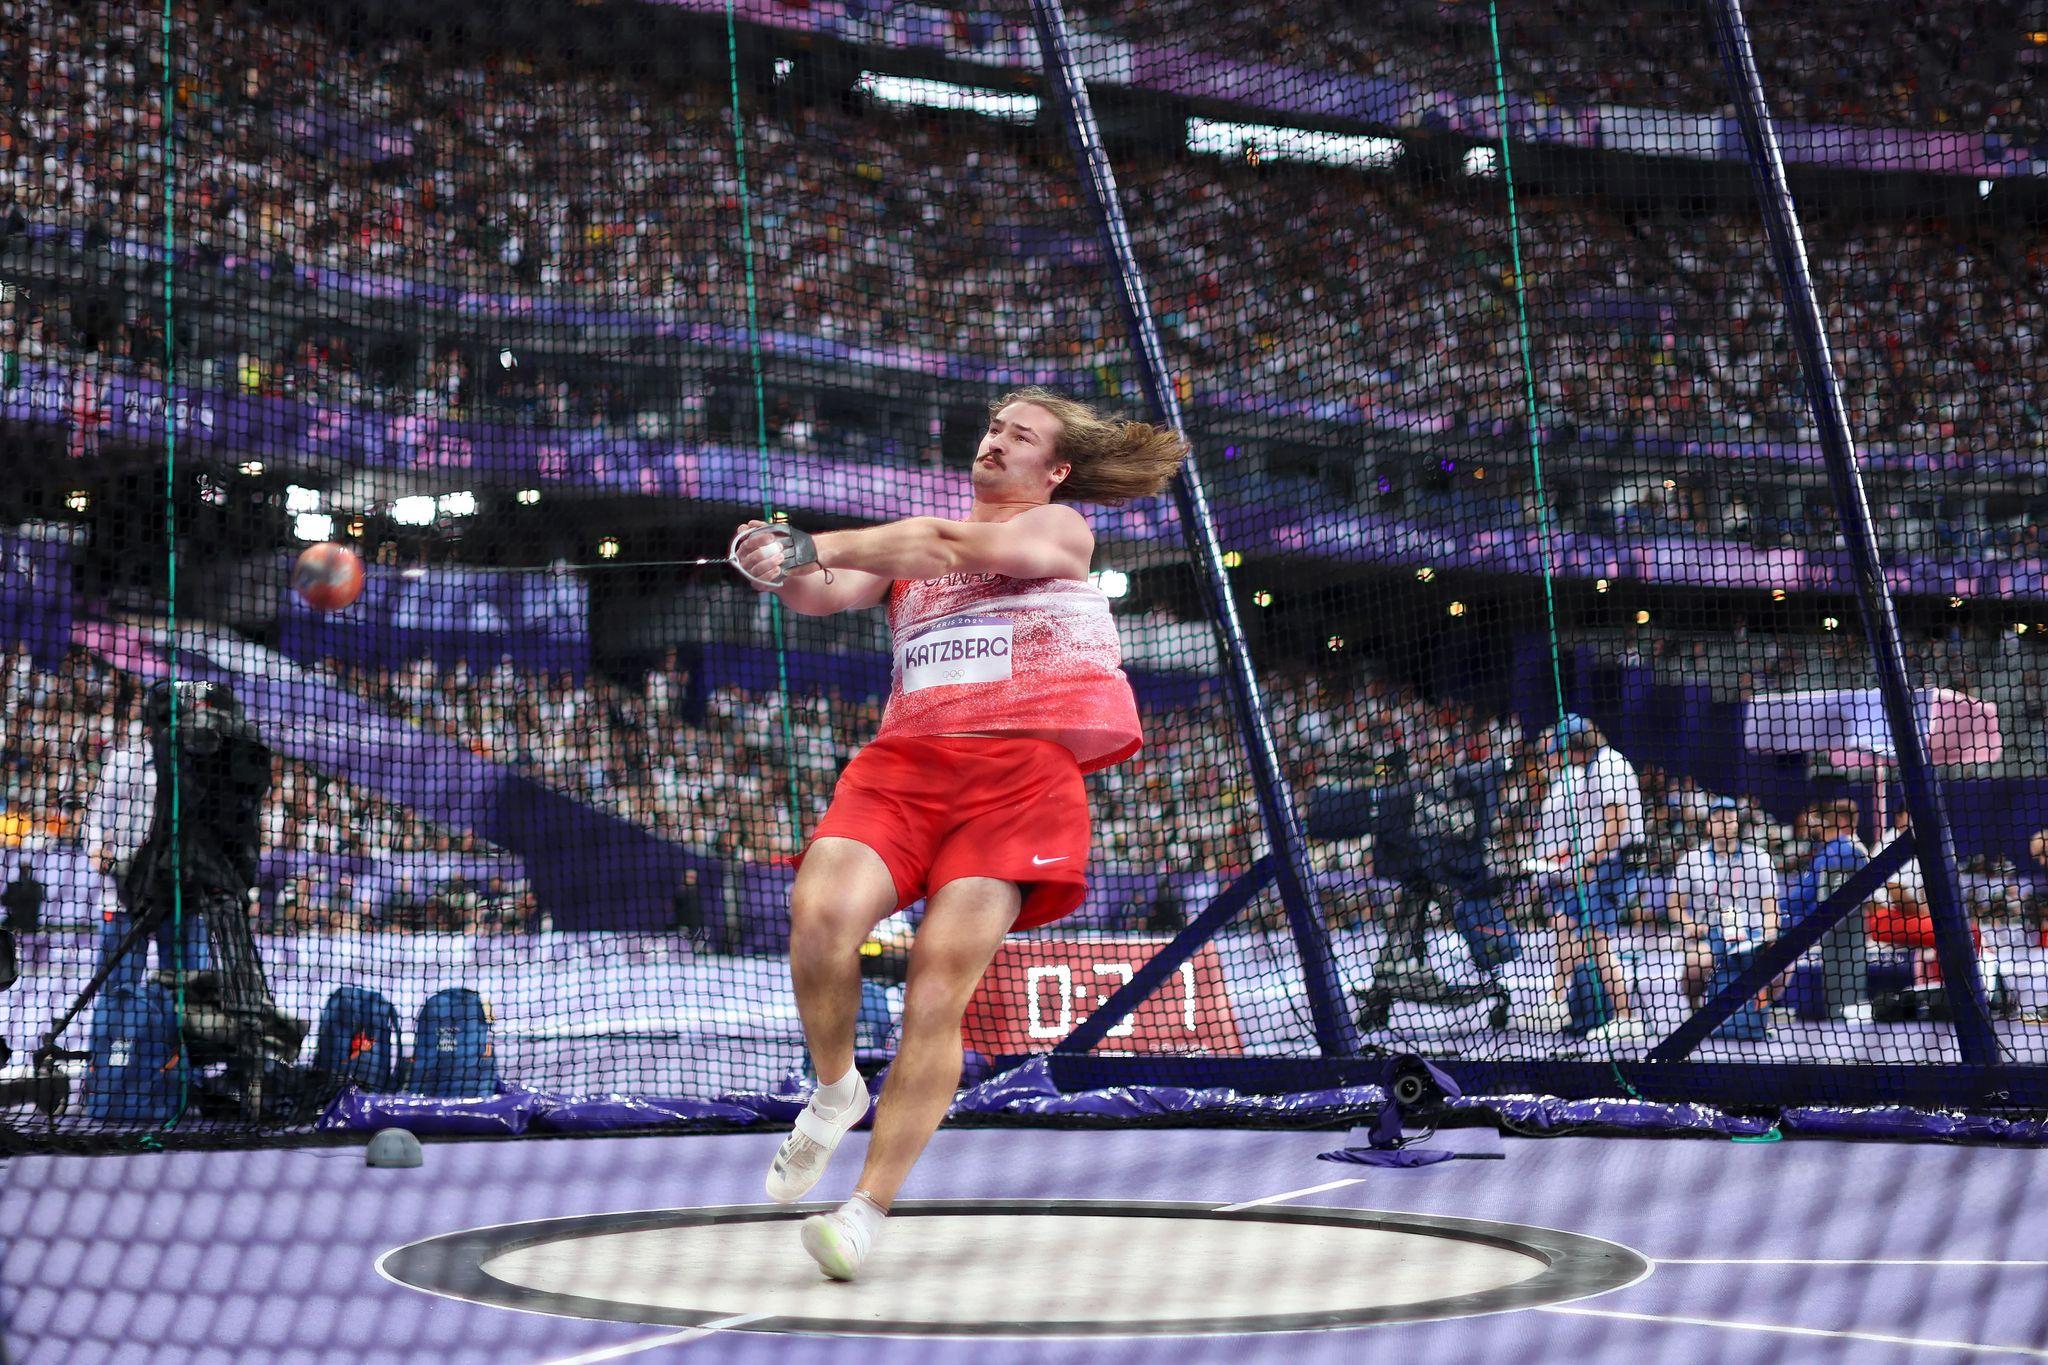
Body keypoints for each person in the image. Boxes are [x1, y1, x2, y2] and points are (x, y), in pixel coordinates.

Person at [730, 386, 1187, 1281]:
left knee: (937, 990)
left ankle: (864, 1208)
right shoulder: (915, 548)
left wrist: (812, 540)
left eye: (1019, 436)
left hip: (1016, 782)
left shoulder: (1059, 532)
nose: (995, 443)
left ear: (1055, 468)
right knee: (820, 918)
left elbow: (940, 544)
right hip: (904, 771)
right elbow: (823, 594)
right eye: (992, 429)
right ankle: (833, 1090)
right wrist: (773, 561)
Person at [1512, 715, 1647, 1042]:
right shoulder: (1596, 766)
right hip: (1608, 862)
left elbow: (1617, 825)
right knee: (1568, 925)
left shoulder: (1607, 766)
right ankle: (1558, 1000)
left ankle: (1626, 1016)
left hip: (1616, 864)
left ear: (1576, 747)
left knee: (1595, 939)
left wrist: (1587, 863)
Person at [1668, 797, 1779, 1007]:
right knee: (1696, 963)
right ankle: (1695, 1010)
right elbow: (1674, 906)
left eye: (1730, 818)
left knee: (1784, 963)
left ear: (1737, 823)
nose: (1725, 823)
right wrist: (1690, 925)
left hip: (1752, 931)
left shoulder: (1759, 857)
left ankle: (1762, 1013)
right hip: (1709, 933)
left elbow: (1771, 906)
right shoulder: (1692, 860)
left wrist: (1769, 933)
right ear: (1709, 825)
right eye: (1718, 819)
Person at [1781, 798, 1872, 1023]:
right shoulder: (1826, 851)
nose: (1815, 825)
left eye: (1822, 820)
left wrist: (1785, 920)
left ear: (1839, 821)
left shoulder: (1848, 852)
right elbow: (1803, 895)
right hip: (1808, 924)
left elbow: (1827, 906)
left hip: (1830, 933)